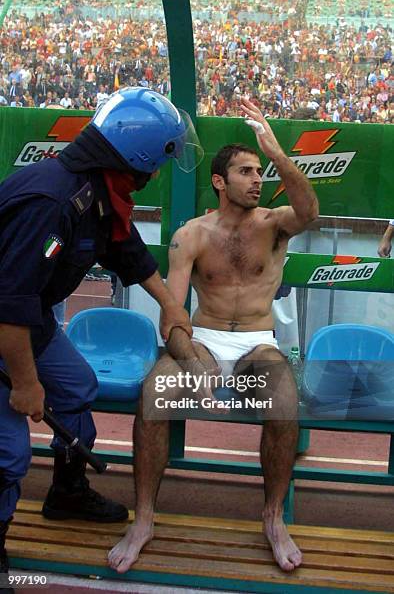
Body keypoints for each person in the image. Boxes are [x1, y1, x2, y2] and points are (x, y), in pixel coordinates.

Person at [108, 97, 319, 574]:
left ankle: (272, 518)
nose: (257, 179)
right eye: (246, 171)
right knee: (154, 392)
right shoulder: (192, 234)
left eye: (260, 171)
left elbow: (309, 211)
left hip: (256, 343)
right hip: (203, 337)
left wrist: (279, 155)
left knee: (285, 397)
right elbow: (172, 315)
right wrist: (192, 361)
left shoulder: (275, 225)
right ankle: (143, 519)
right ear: (221, 182)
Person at [0, 87, 202, 582]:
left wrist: (171, 303)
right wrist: (25, 384)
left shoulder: (97, 191)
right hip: (8, 324)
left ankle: (66, 492)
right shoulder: (52, 201)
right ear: (138, 157)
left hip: (30, 322)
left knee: (76, 389)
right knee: (10, 455)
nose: (157, 173)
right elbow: (9, 304)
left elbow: (124, 249)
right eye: (161, 159)